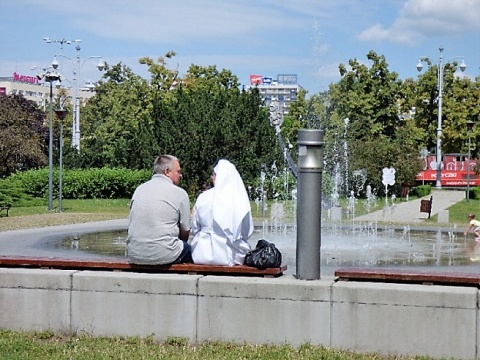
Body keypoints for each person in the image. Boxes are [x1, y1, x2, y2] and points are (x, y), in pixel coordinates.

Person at [126, 155, 192, 265]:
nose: (181, 175)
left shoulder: (139, 189)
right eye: (178, 171)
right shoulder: (180, 193)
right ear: (167, 171)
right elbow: (185, 230)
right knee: (193, 251)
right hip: (164, 254)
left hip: (134, 254)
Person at [191, 159, 253, 265]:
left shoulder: (203, 197)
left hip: (202, 253)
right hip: (230, 254)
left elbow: (195, 227)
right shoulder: (239, 199)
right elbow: (247, 231)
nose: (212, 177)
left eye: (214, 174)